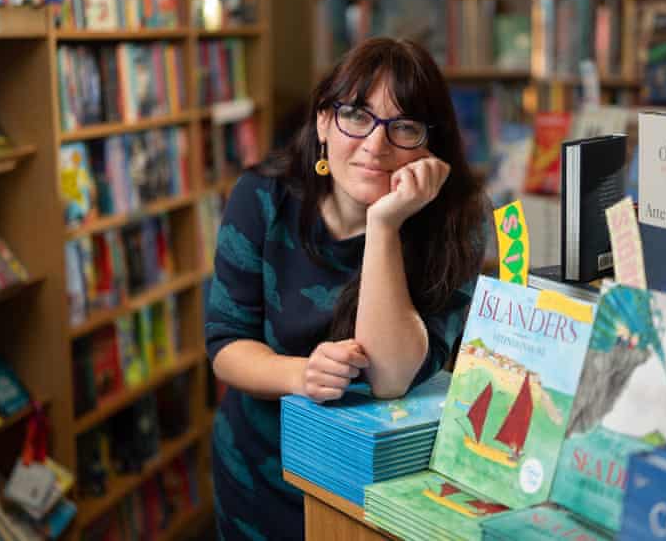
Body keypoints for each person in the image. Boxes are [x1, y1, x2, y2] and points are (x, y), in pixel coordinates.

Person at [205, 38, 488, 540]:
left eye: (403, 127)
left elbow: (391, 376)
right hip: (260, 474)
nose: (375, 146)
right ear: (322, 122)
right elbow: (226, 347)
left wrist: (384, 227)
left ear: (431, 144)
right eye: (356, 116)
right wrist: (302, 374)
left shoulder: (455, 225)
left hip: (381, 492)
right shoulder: (260, 199)